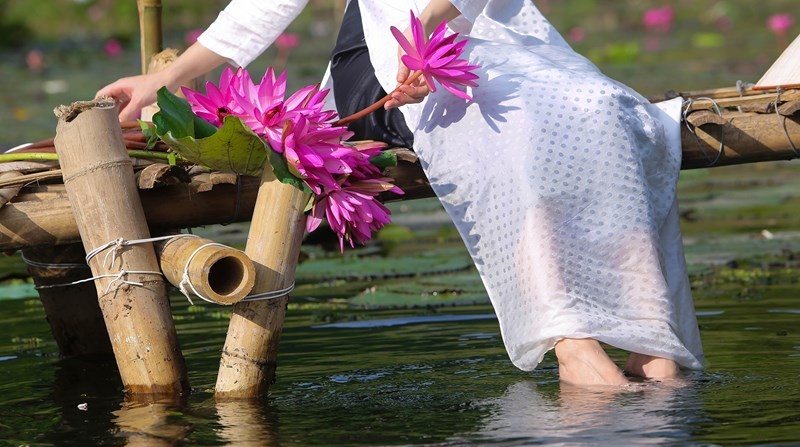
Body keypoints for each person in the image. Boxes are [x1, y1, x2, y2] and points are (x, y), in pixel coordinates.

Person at [97, 0, 704, 387]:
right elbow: (264, 6)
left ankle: (648, 338)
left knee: (605, 111)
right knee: (511, 129)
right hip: (394, 59)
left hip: (502, 45)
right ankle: (574, 342)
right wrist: (163, 80)